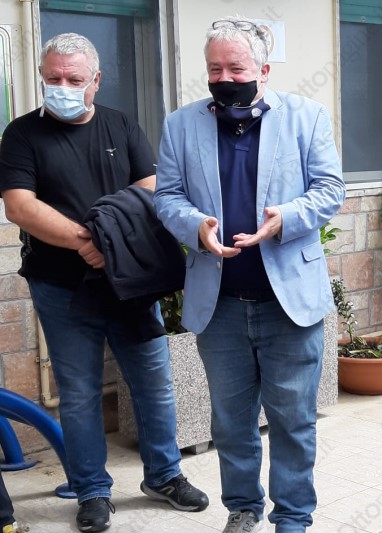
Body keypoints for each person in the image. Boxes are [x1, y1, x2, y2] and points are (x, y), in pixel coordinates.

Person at [0, 33, 208, 532]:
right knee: (78, 393)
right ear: (42, 77)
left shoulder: (121, 124)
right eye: (53, 78)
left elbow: (151, 188)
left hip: (130, 283)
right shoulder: (22, 134)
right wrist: (87, 241)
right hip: (61, 286)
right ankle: (91, 490)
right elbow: (20, 206)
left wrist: (110, 243)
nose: (63, 86)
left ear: (95, 80)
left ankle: (164, 475)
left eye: (74, 79)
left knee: (154, 383)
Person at [153, 16, 345, 533]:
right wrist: (194, 226)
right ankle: (242, 508)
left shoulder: (307, 117)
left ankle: (293, 517)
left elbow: (330, 189)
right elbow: (166, 196)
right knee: (230, 422)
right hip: (219, 304)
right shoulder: (181, 124)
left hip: (289, 303)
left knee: (293, 421)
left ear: (263, 70)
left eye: (235, 68)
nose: (224, 78)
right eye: (214, 69)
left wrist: (288, 218)